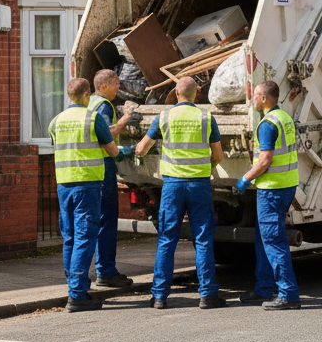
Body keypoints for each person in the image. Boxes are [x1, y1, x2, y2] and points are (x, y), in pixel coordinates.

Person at [129, 77, 227, 309]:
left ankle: (160, 297)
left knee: (167, 240)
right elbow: (219, 156)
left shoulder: (164, 117)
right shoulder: (205, 117)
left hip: (173, 186)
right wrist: (206, 166)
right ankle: (208, 295)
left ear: (175, 92)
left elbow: (142, 149)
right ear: (197, 94)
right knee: (202, 240)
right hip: (199, 185)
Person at [49, 77, 122, 313]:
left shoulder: (56, 121)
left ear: (69, 96)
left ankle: (74, 288)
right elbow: (111, 150)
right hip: (87, 185)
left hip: (64, 186)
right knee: (84, 237)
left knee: (69, 238)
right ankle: (77, 296)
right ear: (88, 95)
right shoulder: (93, 118)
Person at [235, 81, 302, 310]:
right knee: (264, 238)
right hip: (285, 185)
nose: (252, 99)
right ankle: (263, 288)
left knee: (273, 240)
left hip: (272, 189)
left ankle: (288, 294)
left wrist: (246, 178)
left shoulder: (267, 124)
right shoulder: (284, 117)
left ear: (264, 98)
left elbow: (265, 160)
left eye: (255, 95)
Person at [88, 69, 135, 288]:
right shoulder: (103, 105)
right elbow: (108, 132)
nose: (119, 86)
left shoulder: (90, 104)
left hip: (90, 168)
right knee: (107, 220)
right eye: (116, 83)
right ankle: (106, 270)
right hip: (104, 167)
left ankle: (96, 270)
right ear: (104, 86)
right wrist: (127, 117)